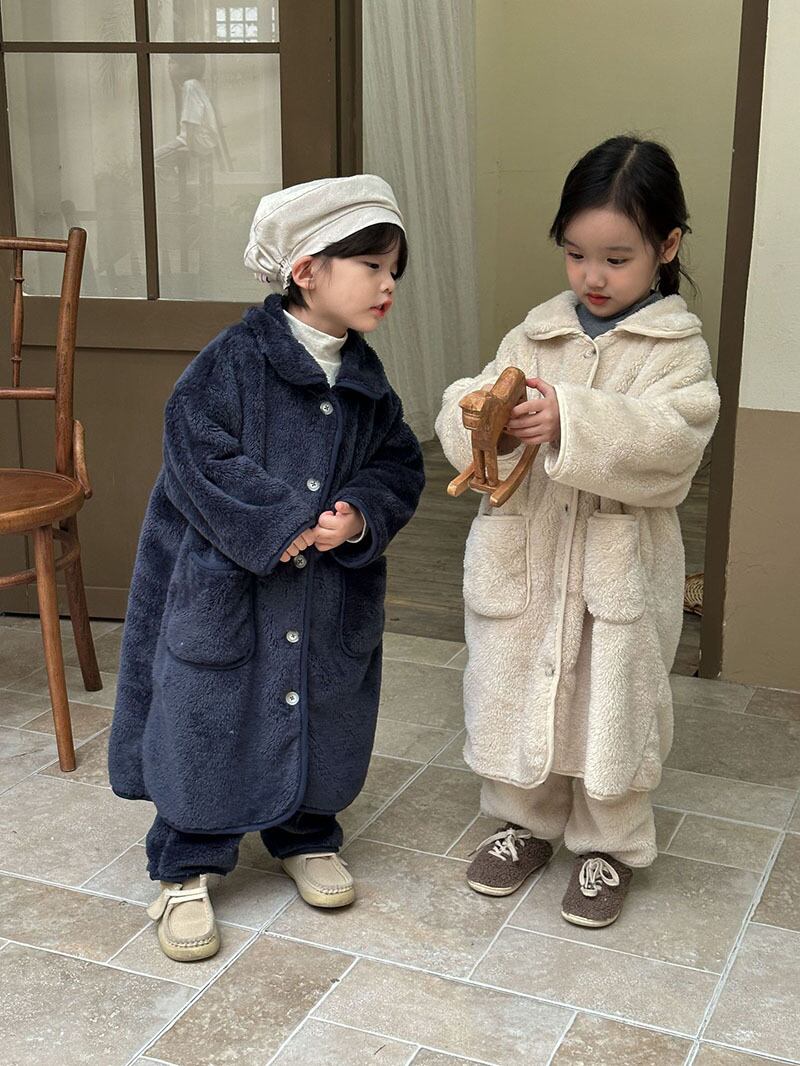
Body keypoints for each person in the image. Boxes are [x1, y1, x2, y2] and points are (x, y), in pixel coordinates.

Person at [109, 174, 425, 961]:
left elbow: (397, 462)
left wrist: (360, 513)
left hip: (328, 595)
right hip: (228, 590)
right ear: (307, 269)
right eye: (371, 267)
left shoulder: (366, 379)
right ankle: (186, 862)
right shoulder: (233, 362)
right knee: (207, 715)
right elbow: (197, 449)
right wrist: (277, 523)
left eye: (394, 270)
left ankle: (305, 831)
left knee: (323, 705)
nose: (388, 284)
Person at [436, 136, 719, 927]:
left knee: (613, 701)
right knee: (514, 680)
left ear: (667, 246)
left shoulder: (677, 352)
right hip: (526, 553)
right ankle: (522, 822)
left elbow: (674, 444)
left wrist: (574, 419)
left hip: (616, 566)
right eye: (576, 254)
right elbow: (469, 412)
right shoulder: (533, 336)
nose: (593, 276)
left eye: (617, 259)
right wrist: (486, 419)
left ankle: (609, 843)